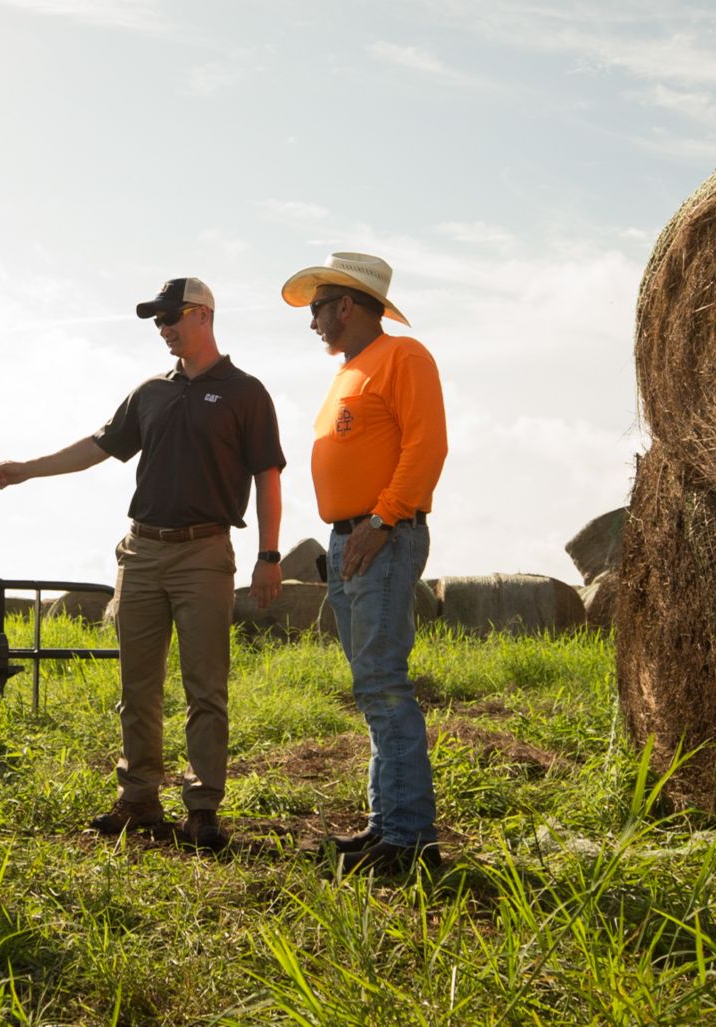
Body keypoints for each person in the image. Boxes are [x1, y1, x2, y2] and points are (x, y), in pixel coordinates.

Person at [0, 277, 286, 851]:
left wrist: (270, 555)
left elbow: (268, 477)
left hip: (205, 553)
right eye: (157, 321)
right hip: (141, 553)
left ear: (202, 315)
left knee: (205, 687)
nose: (163, 329)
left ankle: (201, 809)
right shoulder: (150, 392)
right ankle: (139, 798)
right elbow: (97, 447)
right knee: (136, 684)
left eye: (171, 318)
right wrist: (27, 468)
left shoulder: (246, 393)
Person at [281, 252, 449, 875]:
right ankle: (389, 827)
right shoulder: (353, 369)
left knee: (382, 684)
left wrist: (383, 519)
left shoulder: (403, 357)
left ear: (345, 305)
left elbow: (427, 443)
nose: (315, 322)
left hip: (382, 535)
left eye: (319, 309)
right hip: (352, 538)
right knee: (371, 686)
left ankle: (409, 841)